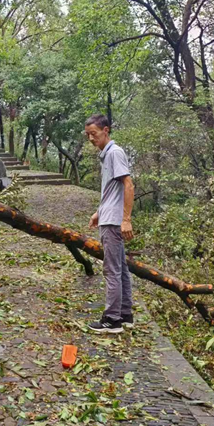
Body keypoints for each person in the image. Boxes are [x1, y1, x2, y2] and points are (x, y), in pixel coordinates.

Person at [84, 114, 135, 334]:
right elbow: (112, 191)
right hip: (109, 217)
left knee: (111, 270)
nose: (90, 139)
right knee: (120, 268)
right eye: (88, 135)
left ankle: (112, 319)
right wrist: (98, 212)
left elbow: (128, 185)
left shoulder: (114, 153)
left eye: (93, 134)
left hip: (114, 222)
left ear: (106, 130)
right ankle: (125, 314)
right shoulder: (108, 155)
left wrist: (126, 219)